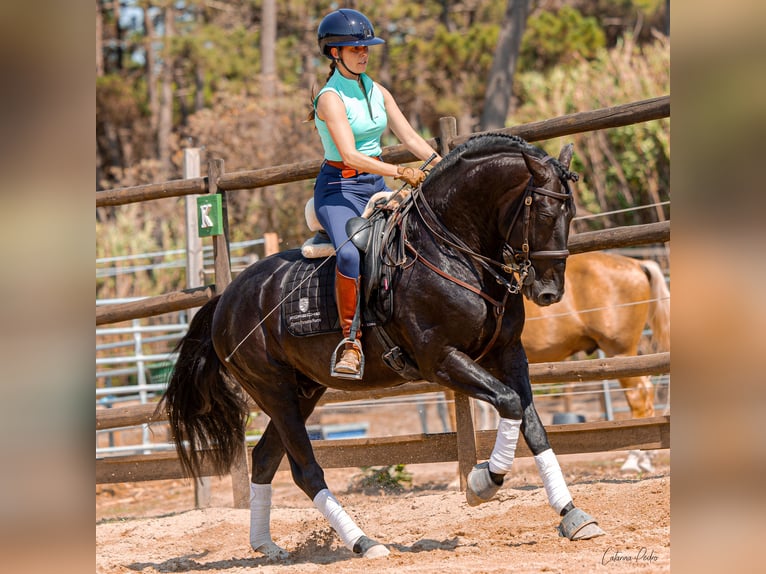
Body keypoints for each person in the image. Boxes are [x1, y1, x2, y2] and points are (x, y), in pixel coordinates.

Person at [310, 8, 442, 378]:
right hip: (339, 189)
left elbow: (410, 137)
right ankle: (350, 342)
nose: (364, 53)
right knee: (350, 254)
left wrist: (441, 162)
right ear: (335, 53)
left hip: (374, 184)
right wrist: (401, 171)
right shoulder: (330, 98)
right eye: (355, 49)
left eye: (366, 47)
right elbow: (351, 155)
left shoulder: (377, 90)